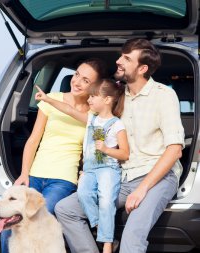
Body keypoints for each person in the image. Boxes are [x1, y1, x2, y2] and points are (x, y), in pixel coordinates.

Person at [55, 38, 185, 253]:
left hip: (157, 177)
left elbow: (175, 150)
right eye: (121, 56)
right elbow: (97, 131)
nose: (118, 61)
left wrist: (142, 190)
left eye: (126, 58)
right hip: (119, 176)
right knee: (65, 209)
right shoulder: (114, 97)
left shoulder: (164, 95)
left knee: (131, 239)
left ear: (142, 68)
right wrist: (89, 172)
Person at [0, 58, 109, 253]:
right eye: (76, 74)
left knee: (38, 218)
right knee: (10, 223)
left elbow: (99, 148)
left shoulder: (96, 113)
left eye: (85, 80)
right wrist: (24, 173)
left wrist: (89, 173)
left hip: (63, 180)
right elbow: (33, 140)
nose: (76, 82)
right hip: (35, 174)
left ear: (95, 87)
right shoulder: (51, 98)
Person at [35, 78, 129, 253]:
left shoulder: (117, 124)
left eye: (93, 96)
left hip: (108, 167)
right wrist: (48, 99)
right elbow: (68, 110)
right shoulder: (91, 119)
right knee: (84, 195)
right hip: (90, 169)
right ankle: (101, 226)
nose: (89, 100)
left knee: (106, 200)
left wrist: (107, 149)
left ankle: (107, 244)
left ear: (107, 100)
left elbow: (124, 153)